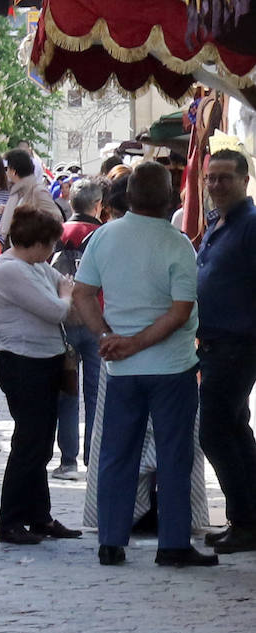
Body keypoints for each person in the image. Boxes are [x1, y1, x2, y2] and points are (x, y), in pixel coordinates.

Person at [73, 161, 218, 567]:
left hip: (121, 366)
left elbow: (82, 294)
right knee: (174, 456)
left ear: (128, 196)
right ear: (169, 197)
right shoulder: (177, 244)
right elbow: (179, 311)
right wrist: (134, 343)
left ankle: (111, 540)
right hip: (171, 366)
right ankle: (172, 544)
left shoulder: (104, 238)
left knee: (117, 453)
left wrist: (108, 337)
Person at [0, 205, 82, 545]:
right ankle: (10, 520)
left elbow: (64, 288)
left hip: (45, 361)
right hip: (22, 362)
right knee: (28, 445)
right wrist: (65, 296)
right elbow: (55, 307)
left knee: (41, 444)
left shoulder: (36, 266)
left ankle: (38, 515)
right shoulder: (11, 269)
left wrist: (65, 294)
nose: (54, 251)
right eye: (51, 244)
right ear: (38, 243)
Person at [196, 148, 256, 554]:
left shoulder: (251, 225)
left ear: (244, 181)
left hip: (238, 343)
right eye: (211, 178)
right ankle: (250, 517)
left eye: (224, 178)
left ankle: (245, 520)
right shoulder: (221, 223)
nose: (216, 185)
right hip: (217, 343)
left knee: (215, 433)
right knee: (234, 431)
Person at [53, 178, 104, 479]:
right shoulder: (104, 235)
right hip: (97, 322)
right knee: (96, 395)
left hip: (65, 322)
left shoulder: (59, 233)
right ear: (98, 205)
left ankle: (68, 461)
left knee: (68, 393)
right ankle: (93, 459)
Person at [0, 148, 63, 241]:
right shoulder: (17, 191)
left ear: (13, 171)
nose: (6, 172)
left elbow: (56, 219)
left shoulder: (37, 191)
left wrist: (28, 219)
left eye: (6, 169)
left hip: (30, 249)